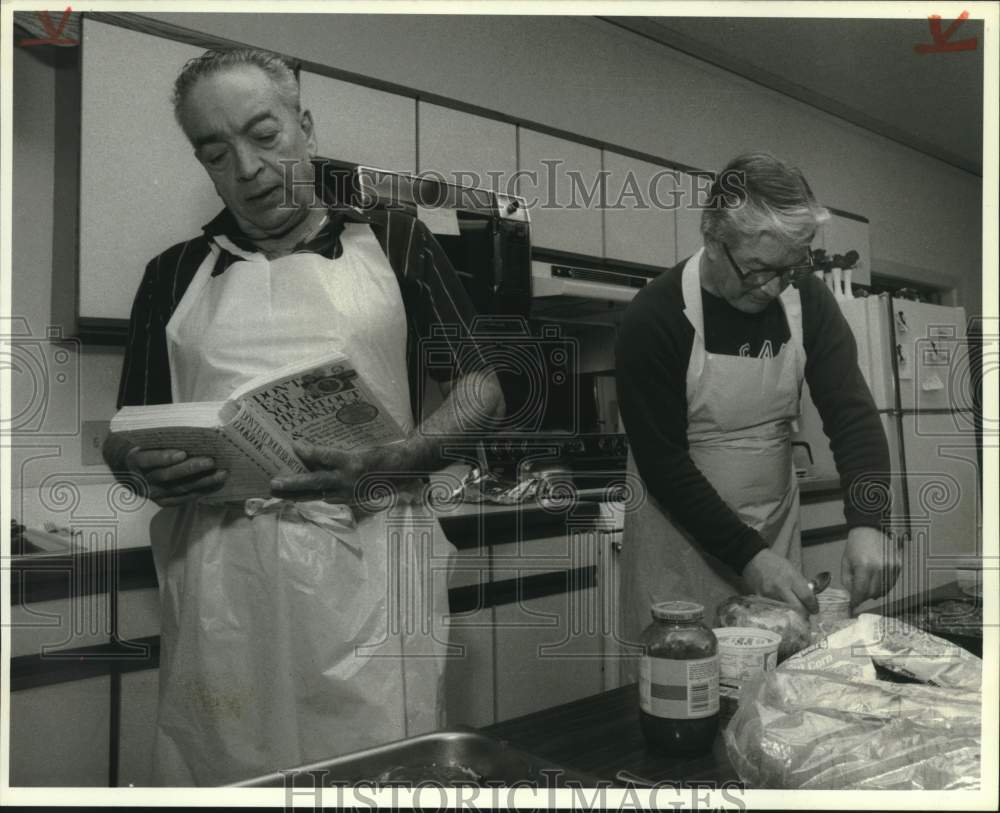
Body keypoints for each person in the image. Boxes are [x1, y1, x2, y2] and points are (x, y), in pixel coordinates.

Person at [102, 48, 505, 785]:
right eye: (216, 152)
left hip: (372, 568)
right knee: (229, 767)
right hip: (224, 587)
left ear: (304, 125)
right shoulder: (170, 275)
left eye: (265, 135)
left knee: (376, 770)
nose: (248, 168)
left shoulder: (395, 240)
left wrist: (404, 453)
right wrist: (140, 466)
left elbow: (485, 386)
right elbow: (131, 437)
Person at [615, 152, 899, 669]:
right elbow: (664, 464)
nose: (772, 287)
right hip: (679, 540)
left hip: (773, 534)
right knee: (683, 687)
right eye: (758, 269)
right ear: (711, 237)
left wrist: (870, 520)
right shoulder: (654, 317)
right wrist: (748, 556)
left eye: (790, 268)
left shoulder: (805, 301)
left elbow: (851, 412)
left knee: (773, 695)